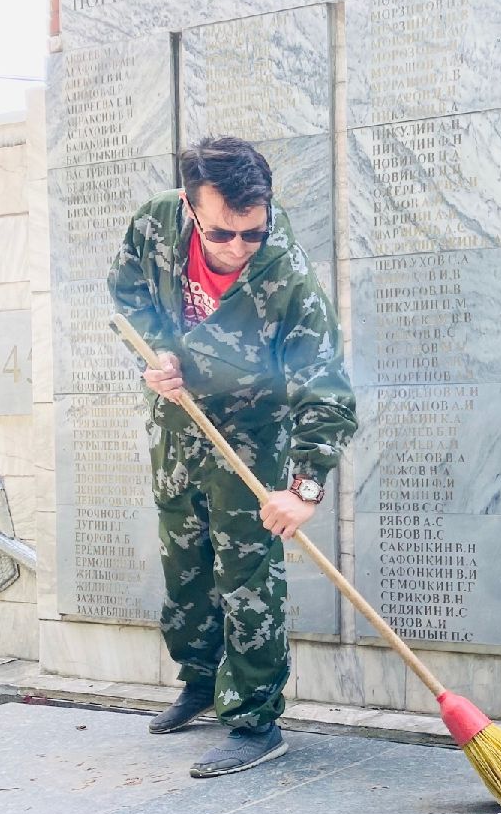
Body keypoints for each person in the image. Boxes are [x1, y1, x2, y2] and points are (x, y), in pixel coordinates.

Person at [108, 136, 357, 778]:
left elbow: (325, 387)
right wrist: (158, 355)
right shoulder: (155, 224)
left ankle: (253, 719)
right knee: (183, 555)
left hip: (253, 427)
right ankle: (198, 681)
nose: (241, 248)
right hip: (177, 414)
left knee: (246, 571)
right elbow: (127, 292)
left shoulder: (287, 277)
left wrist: (303, 489)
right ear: (193, 211)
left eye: (254, 232)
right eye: (224, 235)